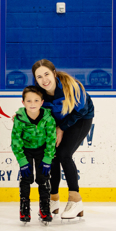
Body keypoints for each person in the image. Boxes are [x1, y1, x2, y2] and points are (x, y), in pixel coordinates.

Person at [32, 59, 94, 219]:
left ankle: (75, 200)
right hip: (57, 121)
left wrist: (62, 128)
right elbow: (36, 113)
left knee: (64, 154)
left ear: (54, 73)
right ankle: (53, 199)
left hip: (80, 118)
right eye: (39, 77)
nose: (44, 80)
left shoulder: (72, 87)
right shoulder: (38, 93)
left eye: (46, 74)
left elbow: (82, 110)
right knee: (51, 155)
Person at [11, 86, 56, 224]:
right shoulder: (19, 119)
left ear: (42, 102)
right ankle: (24, 208)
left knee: (43, 178)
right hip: (26, 151)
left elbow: (51, 139)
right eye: (29, 101)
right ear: (23, 102)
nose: (32, 104)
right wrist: (22, 160)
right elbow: (16, 140)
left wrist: (48, 158)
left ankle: (45, 208)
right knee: (26, 178)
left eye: (36, 100)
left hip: (42, 151)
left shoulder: (48, 118)